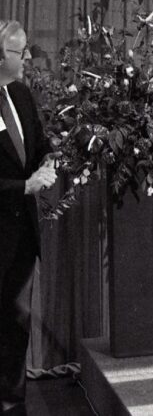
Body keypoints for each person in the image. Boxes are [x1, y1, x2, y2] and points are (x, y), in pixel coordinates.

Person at [0, 21, 57, 414]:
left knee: (16, 320)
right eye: (21, 53)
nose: (28, 58)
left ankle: (11, 399)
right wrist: (23, 187)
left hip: (20, 232)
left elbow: (39, 143)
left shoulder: (20, 94)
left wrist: (50, 161)